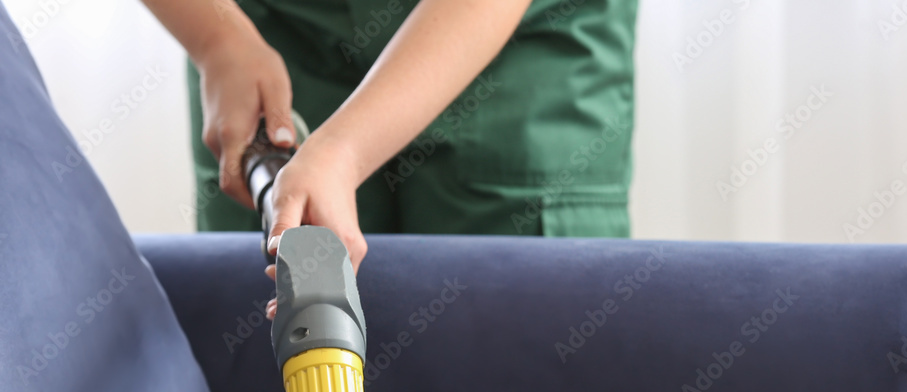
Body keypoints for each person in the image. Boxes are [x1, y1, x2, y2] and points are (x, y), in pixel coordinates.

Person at [142, 0, 637, 279]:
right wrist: (217, 40)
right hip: (267, 27)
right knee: (262, 367)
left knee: (509, 352)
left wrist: (345, 149)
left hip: (515, 40)